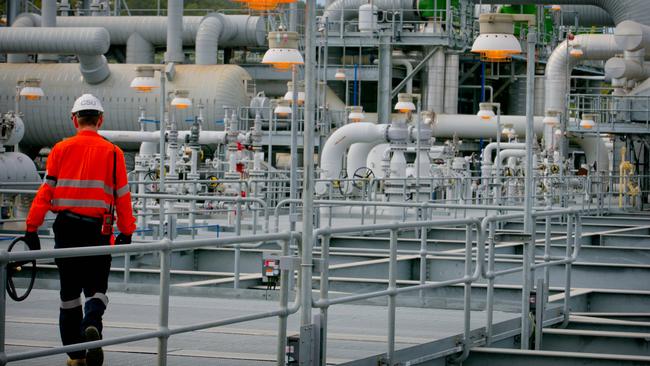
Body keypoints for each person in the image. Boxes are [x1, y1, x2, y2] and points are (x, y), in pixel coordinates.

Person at [24, 94, 136, 366]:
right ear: (100, 120)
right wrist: (127, 231)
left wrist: (31, 228)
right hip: (98, 232)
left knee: (69, 295)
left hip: (66, 231)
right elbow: (122, 196)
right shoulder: (113, 153)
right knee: (97, 289)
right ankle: (92, 321)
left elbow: (47, 190)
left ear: (74, 120)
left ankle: (76, 357)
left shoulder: (60, 149)